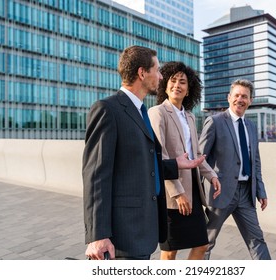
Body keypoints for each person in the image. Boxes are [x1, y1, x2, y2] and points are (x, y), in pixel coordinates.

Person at [82, 45, 205, 260]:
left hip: (142, 230)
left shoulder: (140, 112)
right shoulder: (107, 109)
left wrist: (175, 165)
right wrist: (98, 235)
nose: (160, 76)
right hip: (122, 234)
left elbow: (141, 164)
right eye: (157, 70)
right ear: (142, 73)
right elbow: (96, 176)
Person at [148, 62, 221, 260]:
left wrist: (212, 175)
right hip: (173, 193)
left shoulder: (189, 117)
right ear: (165, 85)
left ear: (189, 90)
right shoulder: (157, 113)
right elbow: (159, 157)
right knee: (170, 250)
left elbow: (196, 154)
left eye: (182, 82)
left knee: (202, 244)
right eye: (173, 81)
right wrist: (178, 192)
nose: (177, 85)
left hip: (194, 190)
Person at [198, 79, 271, 260]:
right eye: (237, 95)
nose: (240, 99)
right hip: (219, 192)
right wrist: (195, 194)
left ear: (250, 101)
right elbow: (200, 159)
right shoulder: (214, 122)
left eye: (244, 96)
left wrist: (260, 190)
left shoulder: (252, 127)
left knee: (257, 239)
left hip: (246, 194)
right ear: (229, 98)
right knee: (206, 242)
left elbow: (255, 162)